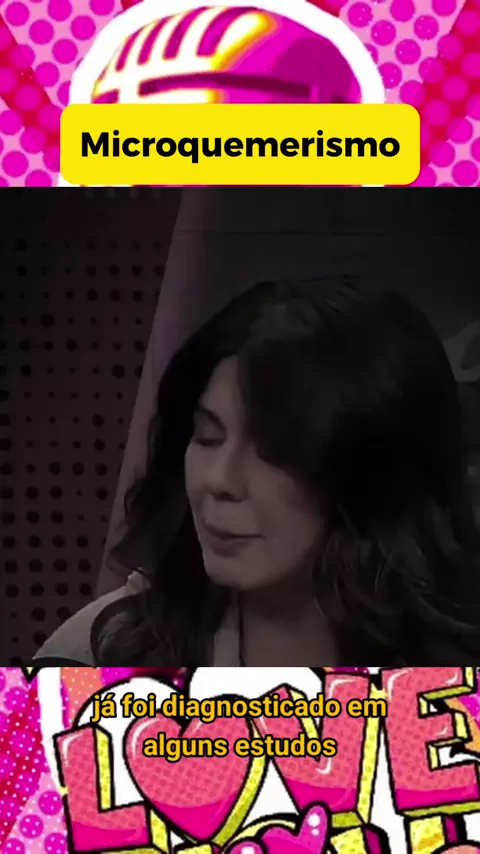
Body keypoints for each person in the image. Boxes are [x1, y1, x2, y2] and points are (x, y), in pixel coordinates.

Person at [33, 277, 480, 667]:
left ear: (372, 469)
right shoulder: (99, 653)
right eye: (208, 437)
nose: (218, 480)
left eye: (272, 450)